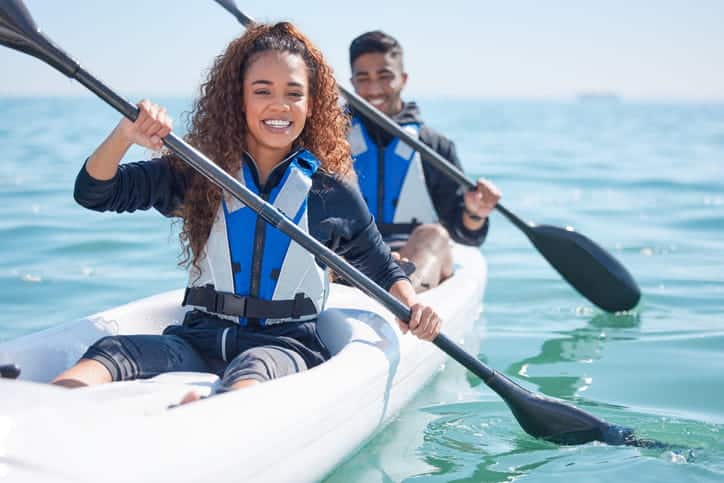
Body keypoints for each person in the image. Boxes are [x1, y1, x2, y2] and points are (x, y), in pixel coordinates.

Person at [51, 22, 442, 402]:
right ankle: (42, 407)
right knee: (111, 350)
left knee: (253, 366)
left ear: (312, 104)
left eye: (294, 93)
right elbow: (95, 192)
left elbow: (383, 268)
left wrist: (414, 306)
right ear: (239, 99)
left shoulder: (330, 193)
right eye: (262, 90)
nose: (279, 105)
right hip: (197, 339)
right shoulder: (199, 172)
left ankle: (207, 418)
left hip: (285, 348)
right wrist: (124, 137)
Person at [348, 31, 502, 291]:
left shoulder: (433, 146)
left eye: (385, 77)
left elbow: (465, 233)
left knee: (435, 235)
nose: (374, 88)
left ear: (403, 79)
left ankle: (399, 296)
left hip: (414, 261)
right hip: (351, 259)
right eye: (363, 78)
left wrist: (475, 213)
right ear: (352, 83)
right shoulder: (330, 140)